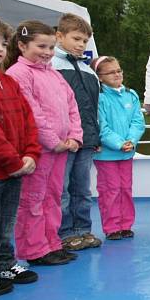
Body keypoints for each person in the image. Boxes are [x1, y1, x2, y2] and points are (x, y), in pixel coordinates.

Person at [5, 21, 82, 266]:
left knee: (53, 197)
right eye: (41, 46)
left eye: (51, 47)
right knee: (33, 199)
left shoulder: (54, 74)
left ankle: (52, 243)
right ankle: (35, 249)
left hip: (60, 149)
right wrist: (53, 141)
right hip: (39, 151)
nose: (48, 53)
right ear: (21, 45)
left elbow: (72, 106)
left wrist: (74, 136)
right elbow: (31, 112)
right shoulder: (18, 74)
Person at [0, 14, 41, 296]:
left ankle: (1, 263)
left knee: (5, 220)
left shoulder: (8, 83)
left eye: (3, 44)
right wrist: (12, 160)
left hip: (17, 166)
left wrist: (31, 153)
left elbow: (27, 119)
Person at [52, 14, 103, 253]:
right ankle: (64, 233)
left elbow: (95, 107)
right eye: (76, 39)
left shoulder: (89, 71)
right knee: (61, 189)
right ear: (59, 36)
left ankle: (83, 230)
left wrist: (97, 136)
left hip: (86, 140)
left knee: (82, 189)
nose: (81, 44)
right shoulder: (51, 66)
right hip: (63, 142)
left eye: (84, 40)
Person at [92, 56, 146, 240]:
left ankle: (125, 224)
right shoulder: (99, 98)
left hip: (127, 153)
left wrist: (131, 140)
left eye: (118, 70)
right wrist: (119, 143)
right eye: (111, 72)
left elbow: (138, 122)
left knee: (125, 189)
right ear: (99, 77)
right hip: (107, 155)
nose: (116, 74)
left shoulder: (131, 95)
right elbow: (101, 126)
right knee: (110, 190)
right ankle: (112, 227)